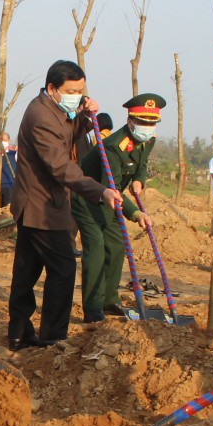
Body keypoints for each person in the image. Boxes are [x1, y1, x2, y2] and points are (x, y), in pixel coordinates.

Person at [7, 60, 123, 350]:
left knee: (27, 270)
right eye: (71, 91)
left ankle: (19, 333)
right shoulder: (42, 116)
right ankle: (53, 337)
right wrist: (101, 191)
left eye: (81, 91)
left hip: (38, 204)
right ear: (52, 89)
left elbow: (69, 131)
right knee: (63, 268)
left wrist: (84, 115)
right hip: (42, 207)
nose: (76, 95)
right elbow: (61, 166)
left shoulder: (54, 109)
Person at [72, 98, 161, 322]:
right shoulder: (112, 147)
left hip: (111, 197)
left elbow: (141, 164)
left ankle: (109, 300)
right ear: (130, 121)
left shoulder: (148, 139)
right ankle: (92, 308)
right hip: (88, 196)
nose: (148, 128)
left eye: (152, 124)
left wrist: (140, 180)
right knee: (97, 247)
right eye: (143, 123)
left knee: (117, 245)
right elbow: (111, 187)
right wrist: (135, 213)